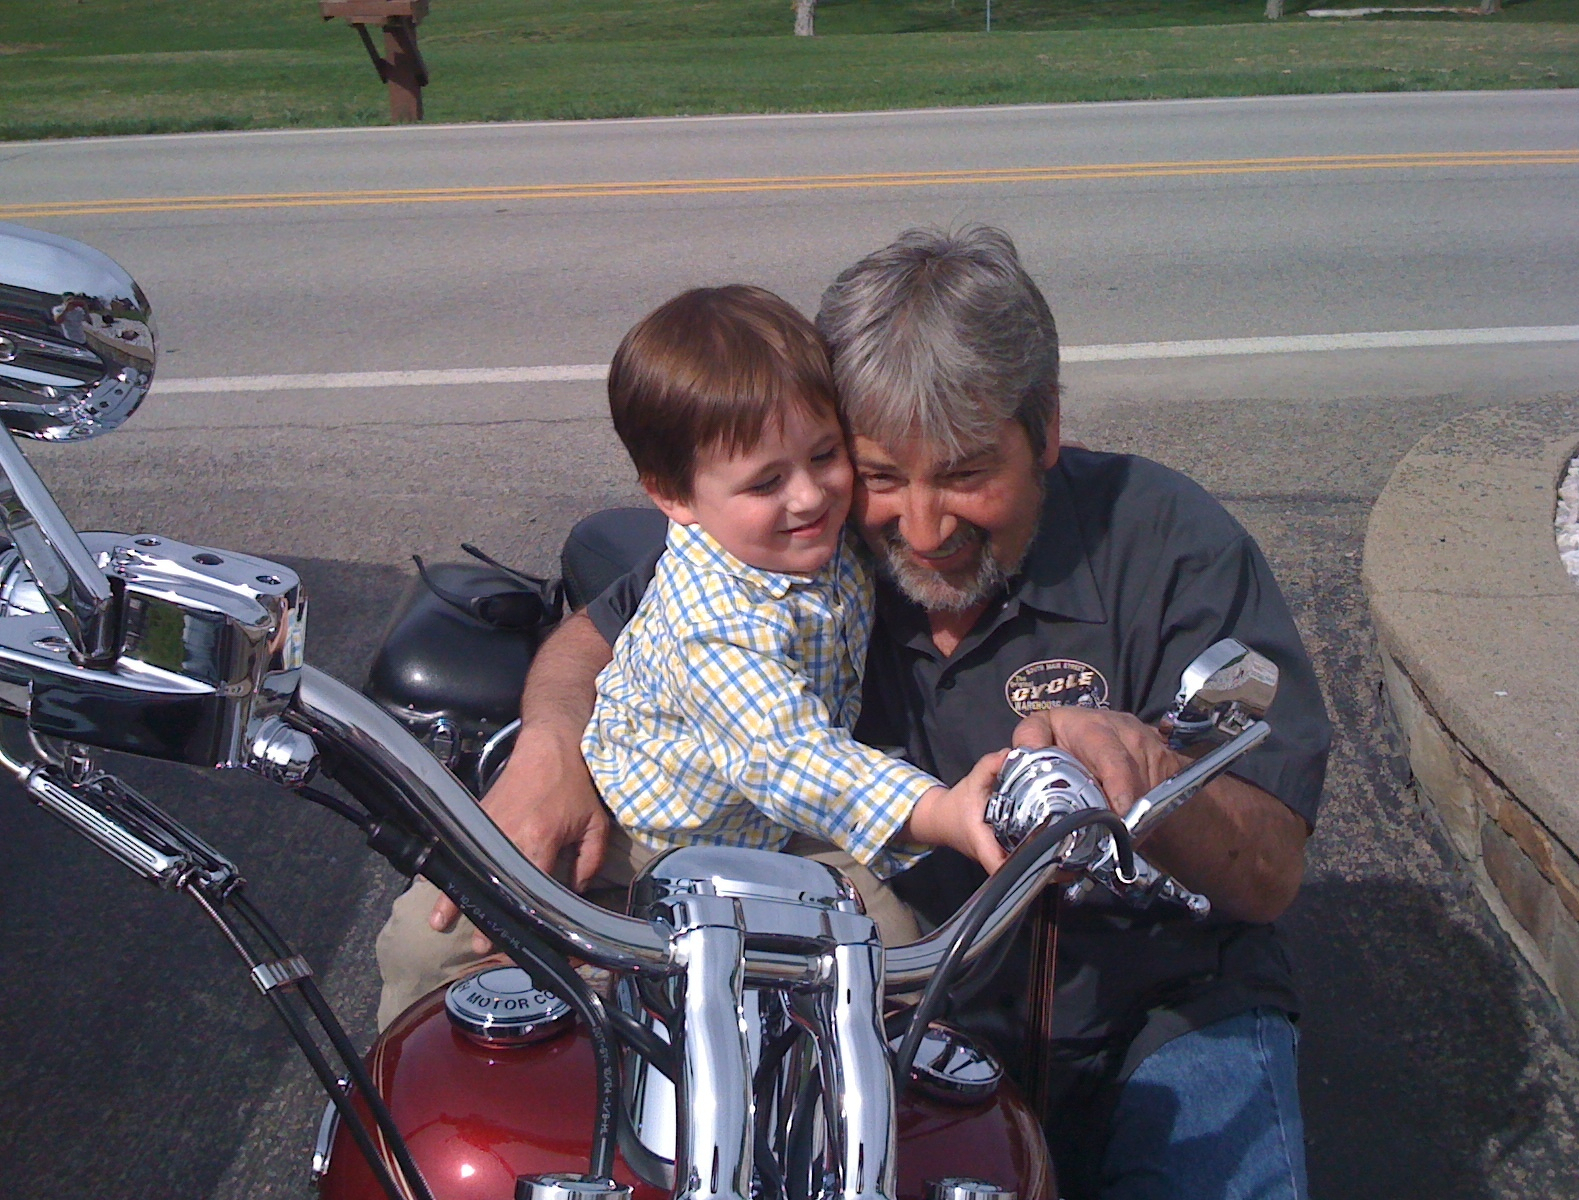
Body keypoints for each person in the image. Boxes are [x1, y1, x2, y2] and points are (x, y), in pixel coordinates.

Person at [378, 226, 1331, 1199]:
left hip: (1154, 1012)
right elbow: (600, 634)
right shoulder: (810, 534)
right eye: (882, 476)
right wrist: (551, 747)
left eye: (964, 473)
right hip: (890, 1015)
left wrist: (1151, 778)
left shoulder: (1169, 543)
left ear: (1044, 425)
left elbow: (1270, 873)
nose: (921, 529)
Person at [580, 284, 1005, 941]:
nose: (810, 497)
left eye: (825, 455)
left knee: (890, 951)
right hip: (652, 834)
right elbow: (790, 756)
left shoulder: (804, 539)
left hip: (776, 823)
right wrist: (944, 811)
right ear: (673, 495)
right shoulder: (712, 622)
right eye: (766, 482)